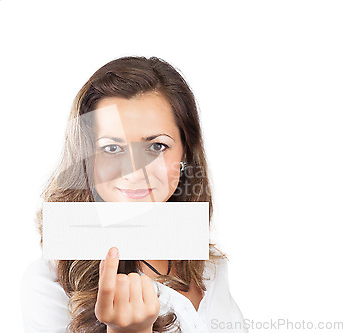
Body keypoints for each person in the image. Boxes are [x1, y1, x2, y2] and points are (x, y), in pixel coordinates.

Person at [21, 56, 247, 333]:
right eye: (112, 149)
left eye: (156, 147)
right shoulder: (50, 283)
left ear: (185, 152)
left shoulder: (211, 266)